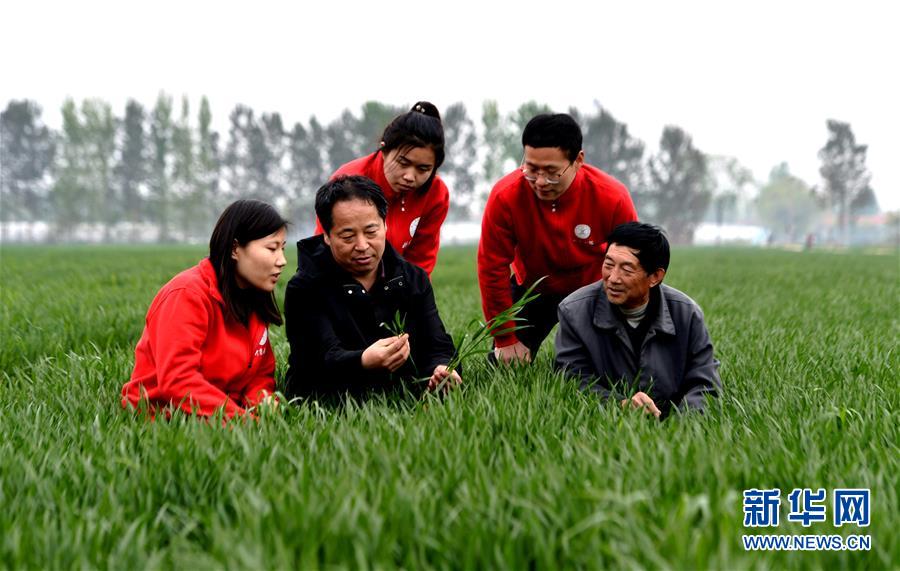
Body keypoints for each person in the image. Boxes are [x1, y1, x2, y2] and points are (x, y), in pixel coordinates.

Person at [478, 113, 638, 364]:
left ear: (578, 160)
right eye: (531, 169)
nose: (540, 181)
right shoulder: (505, 196)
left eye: (552, 172)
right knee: (503, 366)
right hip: (533, 289)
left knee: (608, 367)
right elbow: (491, 267)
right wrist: (505, 339)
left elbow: (635, 262)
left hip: (593, 292)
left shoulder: (612, 197)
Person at [286, 175, 460, 399]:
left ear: (385, 225)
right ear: (327, 236)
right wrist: (362, 361)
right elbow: (316, 361)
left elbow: (437, 343)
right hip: (331, 402)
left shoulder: (412, 278)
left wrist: (442, 368)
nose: (362, 245)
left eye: (371, 232)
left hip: (402, 399)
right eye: (348, 236)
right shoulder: (305, 288)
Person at [122, 200, 288, 419]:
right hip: (167, 420)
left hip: (220, 416)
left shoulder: (254, 297)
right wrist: (244, 422)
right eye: (271, 248)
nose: (282, 261)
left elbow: (259, 376)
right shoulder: (187, 295)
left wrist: (264, 404)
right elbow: (178, 381)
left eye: (283, 248)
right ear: (235, 249)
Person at [554, 222, 721, 419]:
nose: (613, 278)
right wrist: (619, 404)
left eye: (627, 269)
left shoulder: (686, 314)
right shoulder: (574, 311)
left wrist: (680, 428)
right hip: (604, 425)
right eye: (608, 265)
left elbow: (704, 384)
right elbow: (571, 379)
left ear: (655, 276)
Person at [314, 101, 449, 276]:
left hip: (393, 285)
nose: (409, 176)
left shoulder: (436, 193)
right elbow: (324, 250)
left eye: (423, 169)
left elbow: (421, 260)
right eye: (403, 163)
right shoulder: (348, 182)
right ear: (384, 150)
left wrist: (410, 298)